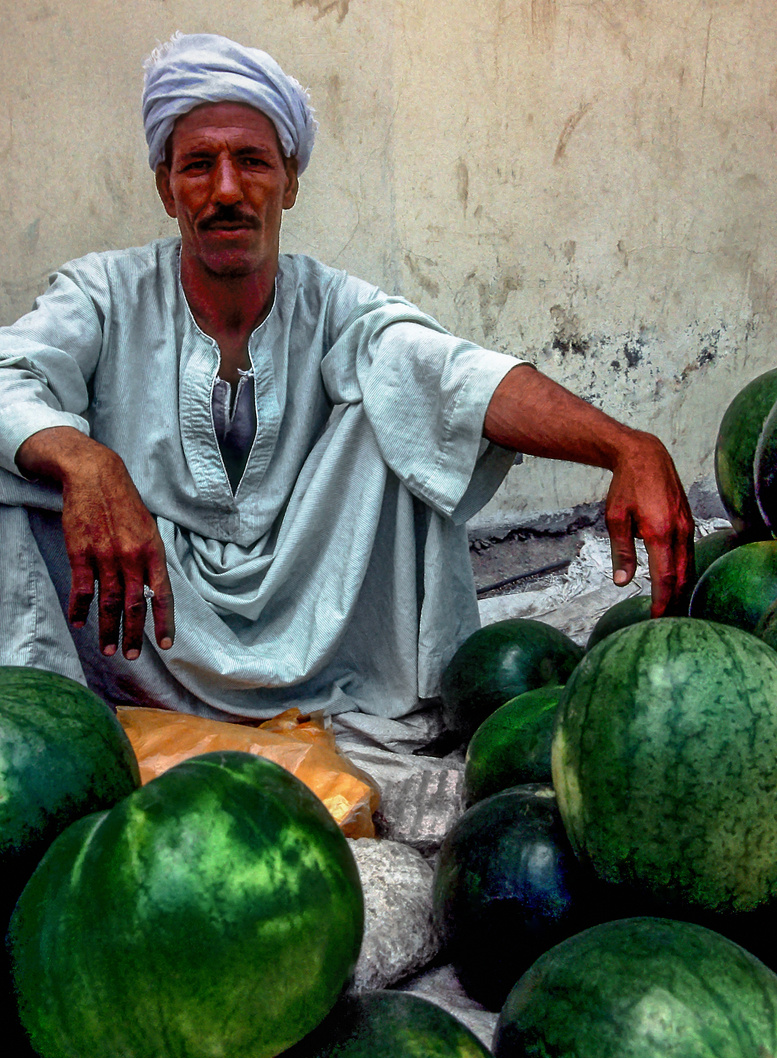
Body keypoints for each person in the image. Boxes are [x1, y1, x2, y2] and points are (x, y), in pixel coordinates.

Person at [0, 32, 693, 722]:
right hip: (142, 619)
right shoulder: (103, 293)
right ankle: (43, 716)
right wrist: (85, 462)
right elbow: (11, 375)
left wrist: (625, 448)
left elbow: (457, 376)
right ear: (164, 186)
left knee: (406, 406)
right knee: (19, 463)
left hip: (314, 625)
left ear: (290, 181)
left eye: (252, 162)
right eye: (197, 166)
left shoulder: (335, 305)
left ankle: (369, 690)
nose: (226, 190)